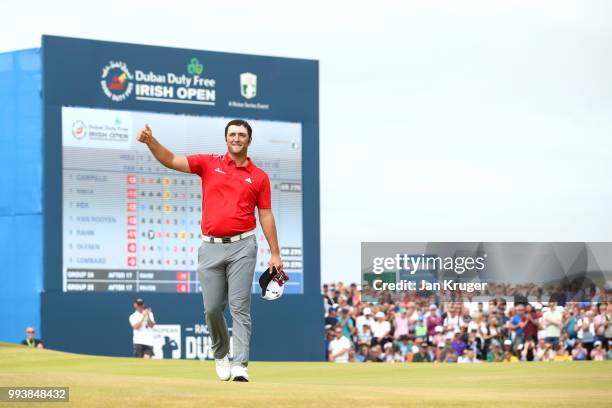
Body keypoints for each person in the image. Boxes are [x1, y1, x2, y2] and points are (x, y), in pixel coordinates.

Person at [137, 120, 282, 382]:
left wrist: (275, 253)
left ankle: (240, 365)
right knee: (213, 309)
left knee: (240, 308)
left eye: (242, 135)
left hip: (243, 246)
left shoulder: (259, 176)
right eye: (232, 134)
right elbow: (171, 159)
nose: (236, 138)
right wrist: (151, 142)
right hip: (210, 248)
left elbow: (267, 215)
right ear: (226, 139)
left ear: (249, 140)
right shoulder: (209, 163)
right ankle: (221, 353)